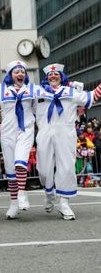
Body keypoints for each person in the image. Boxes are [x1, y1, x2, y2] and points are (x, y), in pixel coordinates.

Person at [35, 63, 101, 220]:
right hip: (44, 131)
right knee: (44, 170)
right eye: (50, 75)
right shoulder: (37, 92)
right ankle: (49, 193)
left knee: (67, 167)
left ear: (61, 77)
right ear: (46, 78)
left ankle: (64, 203)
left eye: (56, 74)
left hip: (66, 132)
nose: (53, 76)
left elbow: (93, 96)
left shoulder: (70, 92)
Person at [0, 61, 35, 219]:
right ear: (10, 75)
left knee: (20, 162)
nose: (20, 74)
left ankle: (22, 193)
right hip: (7, 131)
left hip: (26, 129)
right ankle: (14, 203)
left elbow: (51, 93)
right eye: (16, 72)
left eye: (22, 71)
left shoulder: (33, 89)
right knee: (10, 170)